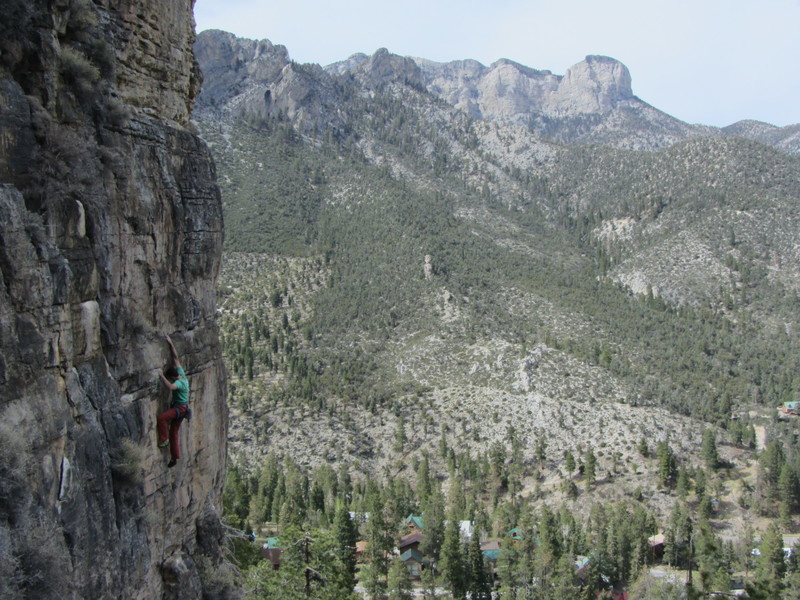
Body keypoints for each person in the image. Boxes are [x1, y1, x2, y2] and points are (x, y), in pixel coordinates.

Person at [158, 334, 190, 468]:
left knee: (161, 418)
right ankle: (174, 457)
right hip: (183, 409)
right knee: (174, 432)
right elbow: (175, 358)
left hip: (179, 409)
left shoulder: (180, 383)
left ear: (173, 377)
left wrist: (161, 376)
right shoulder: (181, 373)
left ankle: (164, 440)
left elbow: (171, 387)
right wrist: (170, 343)